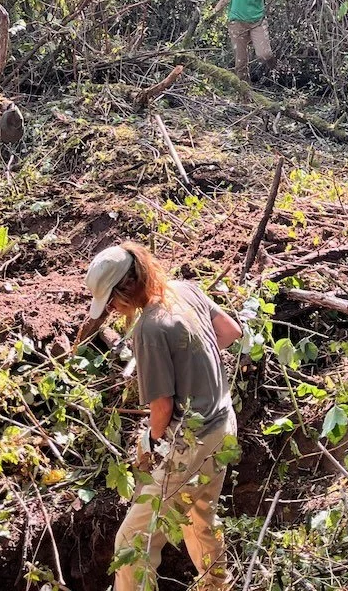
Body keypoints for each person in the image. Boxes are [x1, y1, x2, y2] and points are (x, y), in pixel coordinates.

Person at [86, 242, 242, 590]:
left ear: (126, 288)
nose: (112, 310)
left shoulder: (150, 329)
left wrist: (152, 441)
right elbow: (231, 331)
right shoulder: (185, 290)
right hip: (223, 423)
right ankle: (218, 586)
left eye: (110, 302)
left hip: (192, 441)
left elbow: (162, 409)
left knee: (132, 543)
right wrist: (193, 362)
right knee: (200, 517)